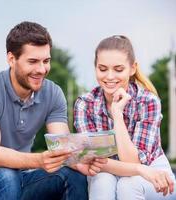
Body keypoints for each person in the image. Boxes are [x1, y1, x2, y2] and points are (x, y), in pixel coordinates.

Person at [0, 21, 105, 200]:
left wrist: (80, 163)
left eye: (46, 61)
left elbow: (63, 147)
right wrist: (39, 161)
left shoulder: (53, 93)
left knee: (72, 176)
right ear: (11, 59)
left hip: (20, 178)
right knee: (5, 175)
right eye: (33, 61)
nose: (41, 69)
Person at [74, 35, 176, 200]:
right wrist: (138, 170)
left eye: (118, 69)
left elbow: (134, 162)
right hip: (111, 171)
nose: (109, 76)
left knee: (129, 185)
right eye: (102, 68)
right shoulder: (84, 104)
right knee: (102, 181)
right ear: (95, 68)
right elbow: (94, 161)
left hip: (153, 172)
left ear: (132, 68)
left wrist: (117, 114)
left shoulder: (148, 101)